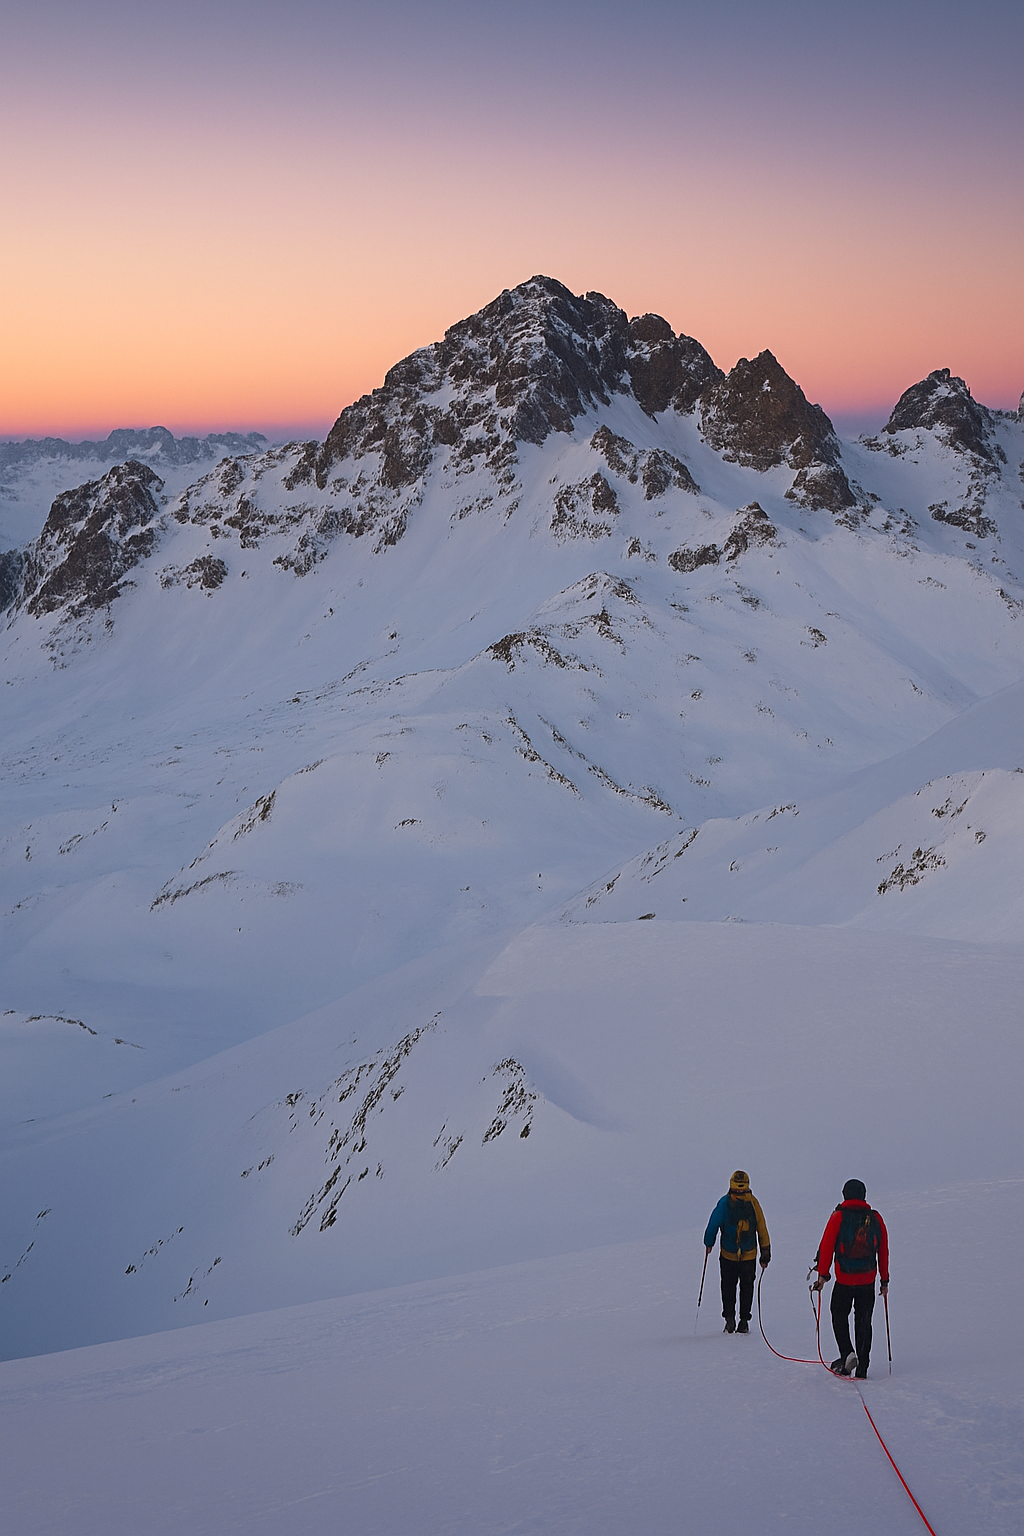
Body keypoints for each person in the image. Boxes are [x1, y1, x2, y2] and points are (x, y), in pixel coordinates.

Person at [812, 1179, 889, 1378]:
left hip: (844, 1279)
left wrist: (822, 1275)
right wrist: (884, 1280)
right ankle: (862, 1367)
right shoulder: (875, 1218)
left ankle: (847, 1353)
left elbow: (827, 1245)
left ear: (845, 1194)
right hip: (868, 1279)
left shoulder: (838, 1216)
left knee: (838, 1313)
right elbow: (883, 1250)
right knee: (864, 1321)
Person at [704, 1170, 771, 1333]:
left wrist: (709, 1242)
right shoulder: (754, 1203)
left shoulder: (725, 1203)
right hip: (749, 1255)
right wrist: (765, 1252)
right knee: (747, 1287)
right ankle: (743, 1321)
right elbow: (762, 1229)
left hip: (728, 1255)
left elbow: (713, 1223)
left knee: (728, 1286)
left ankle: (730, 1320)